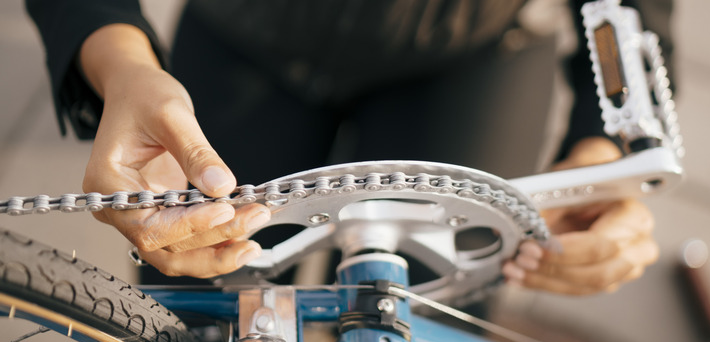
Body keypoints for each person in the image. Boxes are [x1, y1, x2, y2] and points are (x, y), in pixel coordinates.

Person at [25, 0, 670, 295]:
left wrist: (605, 149)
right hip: (249, 28)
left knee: (428, 315)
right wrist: (120, 64)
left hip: (466, 45)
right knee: (199, 304)